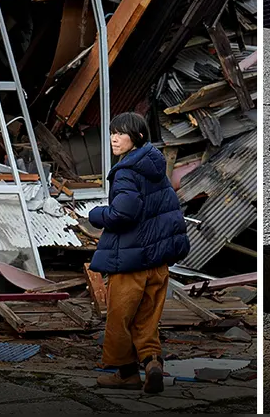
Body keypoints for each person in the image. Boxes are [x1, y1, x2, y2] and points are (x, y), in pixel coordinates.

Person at [88, 112, 190, 394]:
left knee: (120, 319)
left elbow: (124, 212)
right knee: (147, 318)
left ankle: (127, 374)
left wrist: (97, 214)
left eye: (121, 133)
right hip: (158, 262)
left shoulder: (127, 171)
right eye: (112, 132)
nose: (114, 138)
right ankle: (152, 362)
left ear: (139, 137)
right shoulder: (156, 167)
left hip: (131, 260)